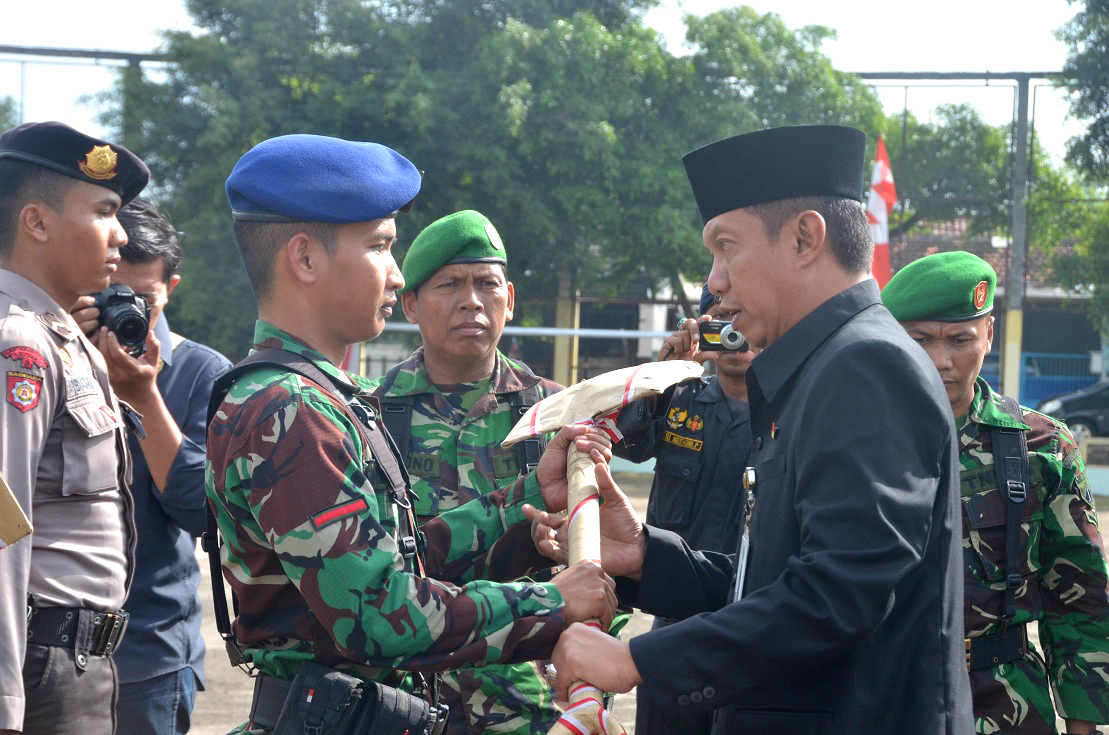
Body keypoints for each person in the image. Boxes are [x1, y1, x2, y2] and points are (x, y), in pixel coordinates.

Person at [540, 124, 973, 734]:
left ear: (804, 238)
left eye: (726, 246)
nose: (715, 280)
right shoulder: (820, 366)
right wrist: (645, 555)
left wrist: (634, 657)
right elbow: (770, 576)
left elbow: (840, 593)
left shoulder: (864, 365)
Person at [207, 133, 618, 734]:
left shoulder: (314, 398)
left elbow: (393, 558)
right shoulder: (289, 409)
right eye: (380, 247)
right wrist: (554, 603)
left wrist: (526, 499)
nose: (397, 276)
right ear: (305, 259)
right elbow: (378, 612)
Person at [881, 251, 1109, 735]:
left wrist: (1084, 723)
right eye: (919, 339)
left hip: (1007, 703)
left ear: (987, 336)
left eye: (960, 340)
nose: (941, 360)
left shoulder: (1043, 446)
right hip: (884, 691)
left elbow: (1081, 597)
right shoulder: (851, 439)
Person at [367, 209, 564, 735]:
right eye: (449, 284)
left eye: (486, 284)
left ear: (510, 298)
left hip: (527, 699)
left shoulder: (558, 416)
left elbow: (599, 561)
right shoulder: (370, 416)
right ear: (410, 304)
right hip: (404, 697)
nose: (471, 301)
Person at [0, 121, 149, 735]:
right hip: (41, 667)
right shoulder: (20, 346)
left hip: (78, 660)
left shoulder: (66, 340)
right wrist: (5, 701)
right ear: (36, 222)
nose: (121, 234)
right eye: (105, 211)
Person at [71, 197, 231, 735]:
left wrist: (141, 392)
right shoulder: (45, 358)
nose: (124, 314)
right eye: (107, 298)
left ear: (172, 291)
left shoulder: (202, 372)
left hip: (150, 654)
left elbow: (200, 511)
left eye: (143, 301)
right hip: (49, 646)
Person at [612, 283, 755, 735]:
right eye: (721, 324)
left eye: (744, 321)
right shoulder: (680, 397)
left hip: (750, 613)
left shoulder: (791, 412)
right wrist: (662, 373)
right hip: (673, 613)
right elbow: (626, 442)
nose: (734, 336)